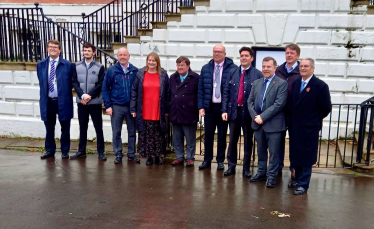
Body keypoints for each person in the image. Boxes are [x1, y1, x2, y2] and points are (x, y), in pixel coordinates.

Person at [288, 58, 331, 195]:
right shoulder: (295, 84)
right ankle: (298, 179)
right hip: (295, 126)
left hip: (309, 127)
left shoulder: (320, 86)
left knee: (306, 156)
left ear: (313, 68)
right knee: (296, 154)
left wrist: (313, 120)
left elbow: (326, 108)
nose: (303, 68)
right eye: (301, 66)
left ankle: (303, 184)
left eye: (306, 66)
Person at [221, 47, 262, 177]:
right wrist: (224, 110)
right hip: (234, 113)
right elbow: (226, 92)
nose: (243, 58)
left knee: (248, 142)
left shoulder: (257, 74)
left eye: (246, 56)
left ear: (251, 58)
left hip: (248, 114)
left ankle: (246, 169)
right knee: (232, 141)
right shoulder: (233, 72)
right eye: (242, 55)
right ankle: (231, 166)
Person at [248, 57, 287, 188]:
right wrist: (255, 117)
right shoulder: (257, 82)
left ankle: (271, 177)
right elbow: (250, 102)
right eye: (264, 66)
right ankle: (261, 173)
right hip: (258, 124)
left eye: (268, 66)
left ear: (275, 68)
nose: (265, 69)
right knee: (261, 151)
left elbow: (278, 104)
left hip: (274, 125)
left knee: (274, 153)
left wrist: (262, 117)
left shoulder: (281, 83)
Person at [197, 44, 237, 170]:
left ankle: (220, 160)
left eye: (219, 52)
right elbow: (201, 89)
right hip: (209, 107)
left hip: (223, 109)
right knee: (208, 135)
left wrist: (229, 108)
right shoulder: (206, 68)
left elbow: (233, 90)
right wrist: (201, 106)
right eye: (215, 51)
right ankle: (207, 160)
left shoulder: (233, 69)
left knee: (221, 136)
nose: (216, 54)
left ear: (225, 54)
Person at [130, 52, 170, 165]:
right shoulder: (140, 74)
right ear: (147, 61)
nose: (151, 62)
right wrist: (133, 109)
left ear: (157, 62)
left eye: (153, 60)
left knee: (158, 134)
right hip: (144, 109)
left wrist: (167, 109)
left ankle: (157, 156)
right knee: (146, 134)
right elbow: (134, 91)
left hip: (158, 109)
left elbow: (167, 93)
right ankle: (149, 156)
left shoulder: (163, 75)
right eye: (149, 60)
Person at [37, 39, 74, 159]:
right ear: (47, 49)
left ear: (60, 50)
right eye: (50, 47)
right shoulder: (41, 64)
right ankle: (50, 150)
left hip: (63, 100)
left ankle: (65, 151)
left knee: (65, 127)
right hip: (48, 101)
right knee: (49, 127)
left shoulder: (67, 65)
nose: (52, 49)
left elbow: (72, 82)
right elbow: (41, 82)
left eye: (55, 47)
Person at [102, 47, 139, 164]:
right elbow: (105, 89)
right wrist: (107, 106)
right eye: (120, 55)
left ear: (129, 56)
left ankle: (131, 154)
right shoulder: (111, 70)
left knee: (132, 132)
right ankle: (118, 154)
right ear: (117, 57)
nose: (122, 57)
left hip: (131, 107)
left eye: (125, 55)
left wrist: (137, 106)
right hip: (116, 106)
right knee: (116, 132)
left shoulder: (135, 71)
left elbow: (138, 90)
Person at [71, 42, 106, 161]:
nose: (86, 52)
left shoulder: (100, 67)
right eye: (84, 50)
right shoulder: (76, 66)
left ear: (94, 52)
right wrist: (82, 95)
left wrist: (89, 96)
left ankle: (101, 152)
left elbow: (100, 84)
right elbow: (74, 82)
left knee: (98, 128)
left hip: (95, 102)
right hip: (82, 102)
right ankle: (81, 151)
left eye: (89, 50)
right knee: (83, 127)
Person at [276, 43, 301, 180]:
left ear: (297, 55)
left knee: (294, 142)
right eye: (287, 53)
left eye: (292, 53)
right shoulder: (279, 70)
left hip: (295, 113)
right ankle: (278, 167)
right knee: (278, 141)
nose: (289, 55)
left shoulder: (301, 70)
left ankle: (294, 168)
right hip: (279, 112)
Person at [169, 56, 200, 167]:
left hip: (189, 112)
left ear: (188, 66)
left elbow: (199, 94)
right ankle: (179, 157)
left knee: (190, 137)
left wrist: (199, 108)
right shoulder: (173, 77)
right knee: (177, 137)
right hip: (175, 112)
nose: (180, 67)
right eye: (178, 65)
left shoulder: (195, 78)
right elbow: (169, 94)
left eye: (182, 65)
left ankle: (190, 158)